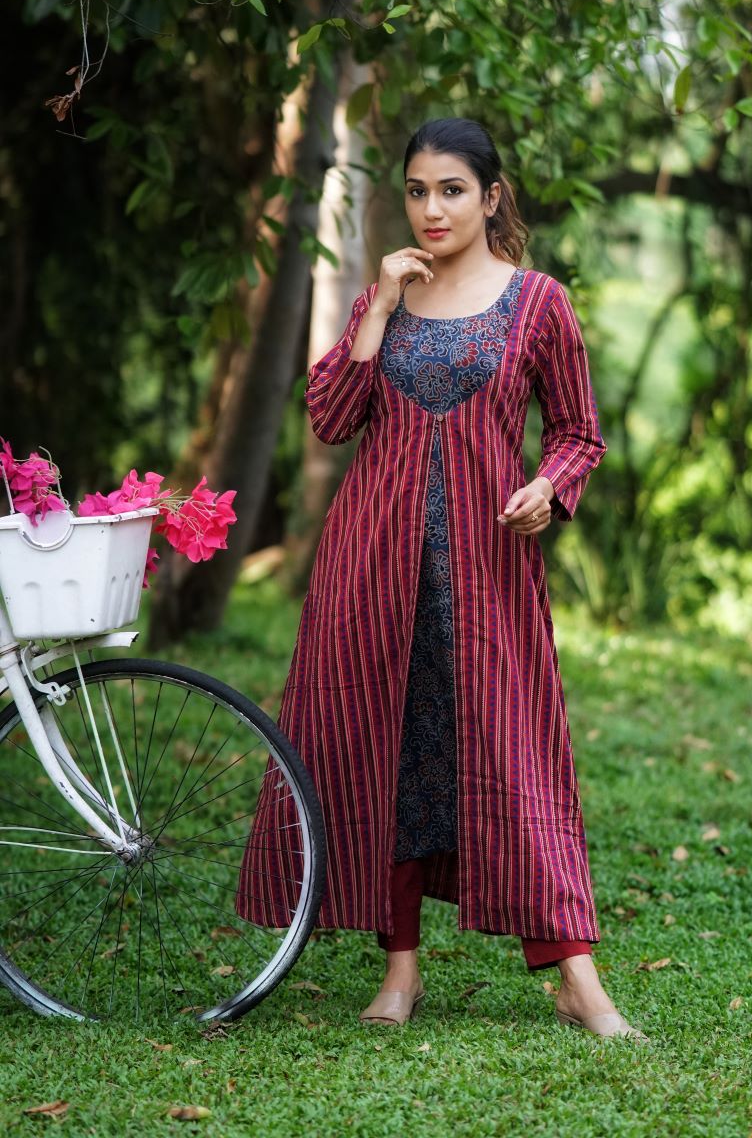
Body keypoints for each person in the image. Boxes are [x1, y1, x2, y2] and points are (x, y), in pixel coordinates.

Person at [236, 117, 648, 1041]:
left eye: (452, 190)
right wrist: (379, 306)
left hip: (487, 570)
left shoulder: (539, 303)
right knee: (386, 748)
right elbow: (331, 417)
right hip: (372, 565)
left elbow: (579, 433)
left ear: (491, 197)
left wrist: (550, 486)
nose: (432, 209)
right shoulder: (385, 296)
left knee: (513, 749)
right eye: (418, 190)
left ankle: (576, 976)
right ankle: (399, 971)